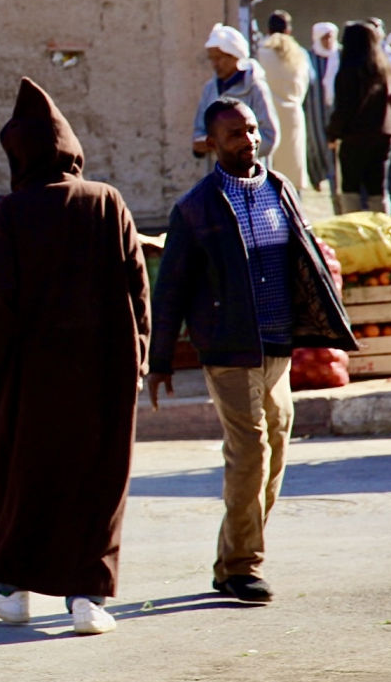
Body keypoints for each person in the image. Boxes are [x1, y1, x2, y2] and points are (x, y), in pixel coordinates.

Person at [148, 98, 355, 603]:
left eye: (253, 129)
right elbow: (170, 288)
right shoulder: (195, 209)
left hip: (278, 345)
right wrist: (158, 360)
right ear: (212, 143)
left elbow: (304, 259)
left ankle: (230, 558)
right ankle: (243, 566)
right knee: (250, 452)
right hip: (229, 349)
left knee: (277, 448)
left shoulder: (279, 189)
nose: (250, 140)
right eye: (237, 134)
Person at [0, 78, 149, 636]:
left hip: (32, 382)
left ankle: (11, 589)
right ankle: (88, 598)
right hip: (103, 376)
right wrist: (137, 359)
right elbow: (138, 289)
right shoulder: (108, 202)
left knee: (25, 478)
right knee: (95, 478)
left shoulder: (12, 214)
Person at [326, 21, 391, 214]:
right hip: (384, 134)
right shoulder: (384, 68)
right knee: (378, 189)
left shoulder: (349, 70)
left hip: (354, 136)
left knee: (350, 188)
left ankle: (354, 230)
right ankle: (383, 228)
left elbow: (345, 108)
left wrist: (332, 134)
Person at [194, 24, 278, 162]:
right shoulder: (210, 88)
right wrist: (201, 144)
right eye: (212, 58)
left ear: (235, 56)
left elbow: (269, 137)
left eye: (219, 58)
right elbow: (199, 130)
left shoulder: (254, 88)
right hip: (218, 174)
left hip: (249, 174)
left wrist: (236, 147)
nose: (215, 64)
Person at [255, 11, 312, 190]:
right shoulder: (299, 53)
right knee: (291, 173)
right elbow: (307, 83)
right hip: (292, 115)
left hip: (267, 114)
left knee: (269, 172)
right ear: (289, 30)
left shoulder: (259, 51)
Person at [305, 21, 340, 191]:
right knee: (316, 145)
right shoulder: (308, 59)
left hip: (336, 111)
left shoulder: (340, 56)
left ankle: (335, 184)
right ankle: (318, 178)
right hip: (315, 111)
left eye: (330, 37)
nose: (328, 41)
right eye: (324, 37)